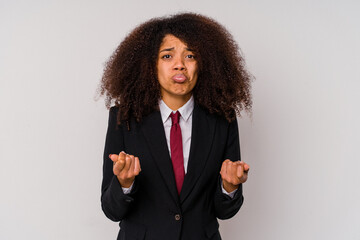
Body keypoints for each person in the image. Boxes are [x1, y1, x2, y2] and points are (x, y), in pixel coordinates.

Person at [99, 12, 252, 240]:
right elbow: (111, 211)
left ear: (204, 64)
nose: (180, 65)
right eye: (167, 56)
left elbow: (225, 211)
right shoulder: (124, 118)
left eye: (190, 56)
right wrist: (124, 183)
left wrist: (229, 187)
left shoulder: (223, 120)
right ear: (151, 65)